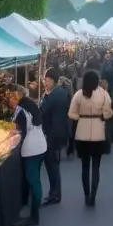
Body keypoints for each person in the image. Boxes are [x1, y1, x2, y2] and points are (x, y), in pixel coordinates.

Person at [68, 70, 113, 206]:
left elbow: (71, 113)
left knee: (85, 166)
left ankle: (86, 195)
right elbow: (108, 113)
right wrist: (102, 116)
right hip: (99, 132)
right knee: (96, 166)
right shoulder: (104, 94)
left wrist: (80, 117)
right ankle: (93, 194)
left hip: (82, 132)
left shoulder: (78, 95)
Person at [7, 85, 47, 226]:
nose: (8, 100)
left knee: (33, 179)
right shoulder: (29, 105)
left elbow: (20, 133)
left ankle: (34, 217)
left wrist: (10, 134)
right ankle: (33, 209)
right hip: (40, 145)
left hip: (32, 149)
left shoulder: (21, 110)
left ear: (15, 97)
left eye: (10, 97)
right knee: (35, 178)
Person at [40, 69, 70, 205]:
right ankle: (55, 192)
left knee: (52, 165)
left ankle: (55, 194)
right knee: (54, 165)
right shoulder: (62, 93)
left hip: (52, 134)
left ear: (53, 80)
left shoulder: (52, 96)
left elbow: (44, 111)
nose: (45, 83)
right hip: (59, 132)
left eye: (47, 80)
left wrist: (44, 97)